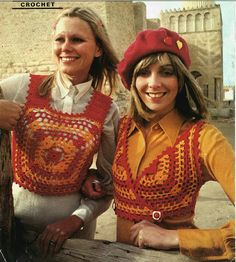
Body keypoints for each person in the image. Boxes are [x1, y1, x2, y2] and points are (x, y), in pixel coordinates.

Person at [0, 6, 119, 259]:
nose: (66, 46)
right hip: (13, 229)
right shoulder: (21, 86)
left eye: (77, 39)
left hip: (73, 241)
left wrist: (76, 220)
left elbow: (107, 185)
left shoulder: (108, 111)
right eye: (60, 39)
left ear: (98, 49)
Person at [112, 27, 235, 261]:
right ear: (133, 80)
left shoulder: (204, 139)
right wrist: (93, 180)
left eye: (166, 72)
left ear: (180, 79)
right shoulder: (122, 128)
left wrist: (176, 237)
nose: (154, 83)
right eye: (144, 73)